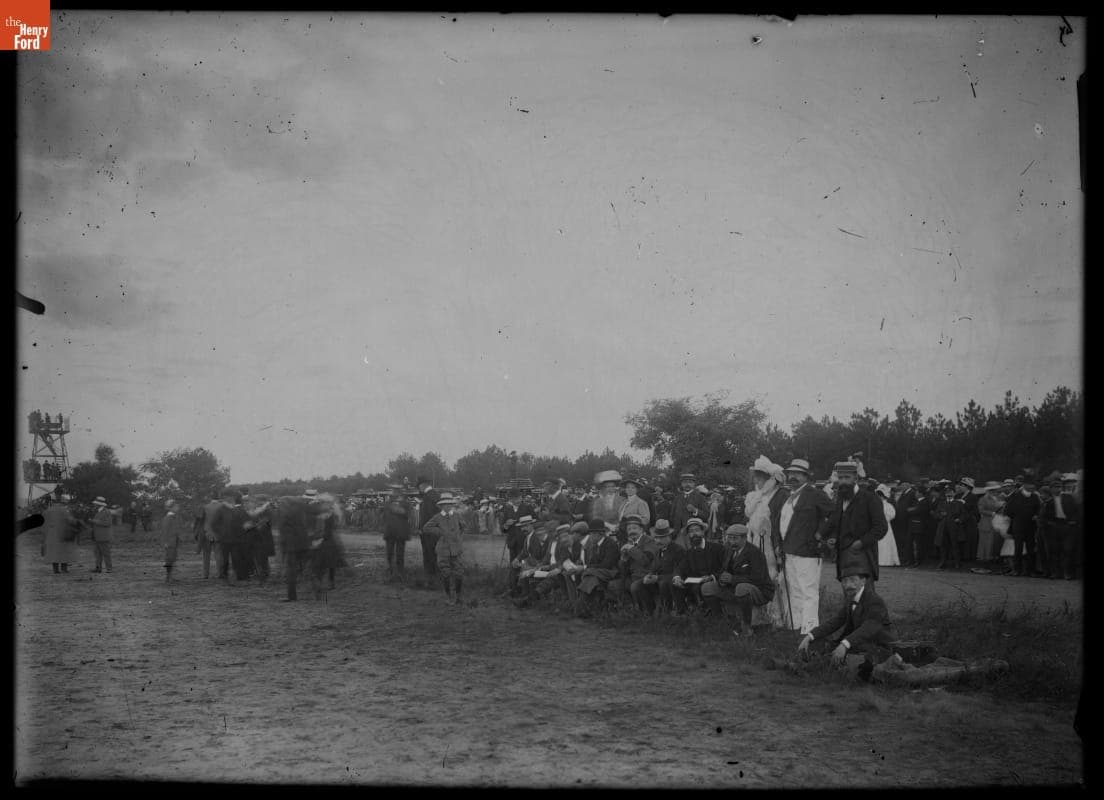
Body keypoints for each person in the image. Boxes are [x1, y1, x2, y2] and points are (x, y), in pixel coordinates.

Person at [796, 565, 894, 678]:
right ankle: (803, 665)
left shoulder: (875, 601)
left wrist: (845, 644)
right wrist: (810, 635)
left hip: (878, 648)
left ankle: (808, 669)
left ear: (863, 581)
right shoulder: (851, 598)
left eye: (853, 580)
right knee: (814, 644)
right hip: (859, 644)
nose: (848, 585)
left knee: (848, 660)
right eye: (845, 581)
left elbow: (868, 628)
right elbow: (835, 621)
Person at [778, 459, 834, 635]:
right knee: (794, 590)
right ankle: (795, 627)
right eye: (790, 473)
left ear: (806, 477)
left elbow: (834, 514)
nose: (793, 476)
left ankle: (809, 630)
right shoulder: (790, 497)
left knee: (808, 592)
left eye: (798, 474)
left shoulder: (814, 494)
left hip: (808, 551)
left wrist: (820, 534)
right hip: (790, 551)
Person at [701, 524, 775, 636]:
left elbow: (758, 579)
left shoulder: (755, 553)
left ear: (745, 538)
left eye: (735, 538)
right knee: (707, 588)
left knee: (742, 588)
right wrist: (721, 578)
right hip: (734, 587)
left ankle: (746, 627)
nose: (731, 542)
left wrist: (732, 579)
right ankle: (722, 621)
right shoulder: (729, 550)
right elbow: (723, 569)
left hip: (759, 590)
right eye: (729, 538)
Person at [743, 456, 790, 628]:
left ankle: (777, 618)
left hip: (771, 543)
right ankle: (759, 616)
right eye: (756, 477)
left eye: (760, 477)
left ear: (769, 478)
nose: (757, 480)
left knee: (773, 577)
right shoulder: (755, 496)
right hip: (755, 540)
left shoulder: (781, 495)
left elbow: (782, 522)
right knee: (756, 575)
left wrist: (778, 545)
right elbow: (749, 518)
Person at [824, 461, 888, 583]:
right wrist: (833, 538)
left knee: (864, 595)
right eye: (840, 478)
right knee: (849, 595)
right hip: (843, 557)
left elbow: (881, 528)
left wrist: (861, 542)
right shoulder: (839, 500)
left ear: (856, 478)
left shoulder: (870, 498)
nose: (843, 481)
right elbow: (837, 524)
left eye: (847, 477)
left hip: (863, 556)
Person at [671, 518, 725, 615]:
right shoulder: (689, 553)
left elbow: (725, 568)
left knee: (703, 587)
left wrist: (711, 577)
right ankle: (683, 614)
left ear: (703, 532)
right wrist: (677, 577)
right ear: (688, 535)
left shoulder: (717, 548)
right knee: (676, 584)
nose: (694, 534)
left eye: (697, 530)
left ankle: (712, 613)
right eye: (691, 531)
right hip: (696, 582)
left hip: (714, 581)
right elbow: (680, 568)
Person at [421, 492, 467, 604]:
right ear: (441, 506)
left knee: (459, 572)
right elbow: (426, 528)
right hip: (443, 550)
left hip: (456, 550)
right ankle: (449, 596)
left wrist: (457, 537)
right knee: (445, 573)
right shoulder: (437, 517)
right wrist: (440, 532)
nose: (447, 506)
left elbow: (463, 526)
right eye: (445, 505)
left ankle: (459, 596)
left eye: (449, 504)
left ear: (452, 505)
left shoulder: (457, 516)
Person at [608, 515, 656, 608]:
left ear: (642, 530)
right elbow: (623, 570)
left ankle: (646, 611)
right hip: (632, 578)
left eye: (634, 528)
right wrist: (623, 559)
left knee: (634, 586)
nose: (632, 531)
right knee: (612, 585)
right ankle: (630, 607)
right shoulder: (630, 544)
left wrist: (631, 549)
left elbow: (645, 560)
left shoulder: (649, 541)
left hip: (647, 577)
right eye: (629, 529)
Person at [637, 519, 684, 615]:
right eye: (656, 538)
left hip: (673, 582)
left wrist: (657, 578)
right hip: (659, 581)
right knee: (638, 585)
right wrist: (649, 575)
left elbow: (678, 572)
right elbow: (653, 568)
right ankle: (650, 612)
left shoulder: (678, 550)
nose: (658, 541)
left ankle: (668, 612)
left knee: (663, 584)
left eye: (662, 538)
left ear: (669, 537)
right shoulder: (659, 550)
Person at [1040, 475, 1081, 580]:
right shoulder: (1049, 502)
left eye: (1058, 487)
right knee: (1054, 551)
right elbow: (1044, 517)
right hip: (1054, 527)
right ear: (1051, 489)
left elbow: (1076, 511)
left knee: (1068, 550)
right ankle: (1055, 573)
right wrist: (1049, 523)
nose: (1057, 489)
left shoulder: (1068, 498)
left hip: (1068, 525)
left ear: (1061, 488)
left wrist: (1074, 521)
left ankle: (1067, 573)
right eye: (1054, 487)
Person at [575, 519, 620, 612]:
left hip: (612, 572)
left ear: (600, 534)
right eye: (590, 534)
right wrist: (585, 566)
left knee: (589, 575)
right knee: (589, 576)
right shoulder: (595, 545)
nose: (590, 536)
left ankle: (583, 608)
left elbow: (607, 564)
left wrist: (585, 568)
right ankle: (584, 607)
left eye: (592, 534)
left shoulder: (611, 544)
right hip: (599, 572)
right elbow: (593, 563)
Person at [1002, 478, 1042, 576]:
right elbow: (1007, 510)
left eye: (1033, 485)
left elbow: (1039, 508)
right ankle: (1017, 570)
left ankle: (1030, 570)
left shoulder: (1035, 497)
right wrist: (1013, 517)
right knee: (1018, 548)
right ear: (1025, 485)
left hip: (1030, 526)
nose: (1032, 487)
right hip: (1018, 525)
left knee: (1031, 548)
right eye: (1030, 485)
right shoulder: (1015, 496)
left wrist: (1037, 515)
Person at [42, 494, 81, 574]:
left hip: (51, 534)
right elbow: (70, 520)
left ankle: (55, 569)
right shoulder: (64, 510)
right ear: (61, 502)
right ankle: (64, 569)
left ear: (52, 502)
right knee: (64, 551)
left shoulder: (47, 511)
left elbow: (43, 523)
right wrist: (77, 522)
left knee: (53, 552)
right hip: (63, 533)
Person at [383, 489, 413, 582]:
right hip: (390, 532)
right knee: (389, 553)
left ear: (400, 493)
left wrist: (396, 508)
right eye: (393, 492)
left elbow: (407, 514)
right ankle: (391, 570)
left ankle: (400, 572)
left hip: (400, 533)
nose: (394, 493)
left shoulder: (406, 504)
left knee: (400, 554)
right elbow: (384, 516)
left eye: (396, 492)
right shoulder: (387, 503)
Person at [417, 476, 442, 580]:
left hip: (428, 530)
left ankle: (430, 576)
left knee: (428, 553)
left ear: (423, 485)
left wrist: (421, 528)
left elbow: (427, 515)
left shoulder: (427, 497)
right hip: (435, 529)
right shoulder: (435, 495)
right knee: (433, 552)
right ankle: (433, 574)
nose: (419, 489)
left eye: (419, 487)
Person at [975, 481, 1004, 562]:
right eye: (992, 490)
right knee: (985, 540)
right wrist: (991, 513)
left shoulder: (997, 498)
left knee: (993, 540)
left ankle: (992, 557)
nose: (994, 491)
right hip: (986, 521)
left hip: (995, 521)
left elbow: (999, 509)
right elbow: (981, 510)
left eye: (995, 490)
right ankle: (984, 558)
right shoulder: (983, 499)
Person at [893, 480, 918, 567]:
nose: (901, 487)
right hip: (901, 519)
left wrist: (908, 511)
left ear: (907, 485)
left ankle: (907, 559)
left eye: (903, 485)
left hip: (907, 520)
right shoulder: (905, 493)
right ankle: (904, 558)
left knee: (906, 540)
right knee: (902, 539)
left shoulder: (912, 493)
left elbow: (914, 506)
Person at [874, 484, 901, 567]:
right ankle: (877, 560)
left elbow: (892, 515)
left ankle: (886, 560)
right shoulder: (875, 505)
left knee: (885, 542)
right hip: (876, 526)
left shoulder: (888, 505)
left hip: (885, 526)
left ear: (882, 496)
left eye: (879, 496)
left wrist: (883, 518)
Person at [200, 491, 223, 579]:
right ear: (219, 497)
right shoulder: (222, 506)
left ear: (211, 497)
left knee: (206, 555)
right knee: (218, 554)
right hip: (218, 533)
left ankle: (205, 574)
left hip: (207, 532)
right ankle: (219, 574)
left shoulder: (206, 507)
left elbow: (202, 520)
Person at [160, 499, 182, 582]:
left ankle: (170, 576)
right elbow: (165, 531)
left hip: (174, 542)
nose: (177, 508)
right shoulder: (168, 518)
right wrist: (165, 542)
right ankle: (168, 577)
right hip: (169, 543)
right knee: (169, 559)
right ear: (171, 508)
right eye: (175, 506)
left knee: (172, 559)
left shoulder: (173, 517)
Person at [90, 496, 114, 573]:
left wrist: (94, 521)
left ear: (99, 504)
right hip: (97, 536)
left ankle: (109, 569)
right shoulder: (98, 511)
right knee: (97, 554)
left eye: (96, 504)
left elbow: (108, 523)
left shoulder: (106, 512)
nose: (94, 505)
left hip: (103, 537)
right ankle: (98, 568)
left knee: (106, 553)